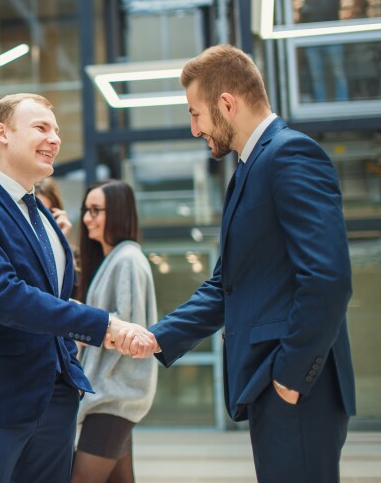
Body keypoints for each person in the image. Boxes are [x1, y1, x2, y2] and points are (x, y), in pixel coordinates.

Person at [124, 45, 355, 483]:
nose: (194, 128)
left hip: (296, 387)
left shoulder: (289, 154)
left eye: (196, 114)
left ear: (227, 104)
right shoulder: (252, 168)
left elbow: (328, 277)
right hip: (272, 387)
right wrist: (157, 337)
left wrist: (290, 377)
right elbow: (226, 285)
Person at [0, 93, 154, 483]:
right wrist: (105, 324)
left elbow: (53, 299)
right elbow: (5, 297)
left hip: (56, 400)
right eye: (41, 128)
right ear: (2, 133)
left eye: (56, 130)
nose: (55, 139)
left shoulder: (46, 218)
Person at [71, 180, 157, 483]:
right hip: (113, 395)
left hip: (114, 397)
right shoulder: (116, 259)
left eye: (96, 210)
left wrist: (74, 317)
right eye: (86, 210)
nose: (87, 218)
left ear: (118, 211)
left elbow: (127, 328)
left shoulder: (127, 259)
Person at [298, 0, 349, 102]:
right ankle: (322, 102)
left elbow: (333, 5)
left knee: (337, 73)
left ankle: (342, 102)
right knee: (317, 76)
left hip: (331, 37)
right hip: (314, 39)